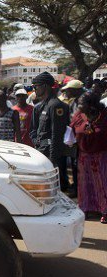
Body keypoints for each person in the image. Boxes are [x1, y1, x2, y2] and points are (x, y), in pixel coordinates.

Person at [70, 92, 107, 223]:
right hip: (84, 156)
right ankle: (85, 208)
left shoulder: (104, 116)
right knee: (85, 184)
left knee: (102, 183)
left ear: (91, 105)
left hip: (101, 155)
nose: (78, 105)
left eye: (81, 103)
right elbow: (71, 129)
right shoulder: (79, 115)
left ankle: (105, 210)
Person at [30, 71, 70, 190]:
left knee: (54, 188)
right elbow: (33, 130)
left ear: (45, 86)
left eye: (36, 86)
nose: (34, 90)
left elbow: (56, 135)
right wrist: (37, 142)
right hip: (41, 151)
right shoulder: (40, 106)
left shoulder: (56, 105)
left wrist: (52, 159)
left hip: (52, 154)